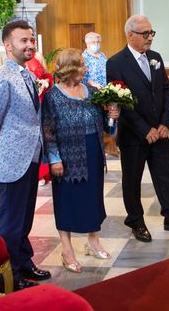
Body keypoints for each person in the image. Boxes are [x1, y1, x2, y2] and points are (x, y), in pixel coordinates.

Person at [106, 15, 169, 242]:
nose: (150, 38)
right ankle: (136, 221)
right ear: (130, 35)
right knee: (132, 179)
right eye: (145, 34)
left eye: (151, 33)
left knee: (164, 176)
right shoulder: (116, 63)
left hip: (160, 132)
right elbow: (121, 101)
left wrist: (164, 123)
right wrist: (145, 129)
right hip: (134, 135)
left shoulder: (156, 58)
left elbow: (166, 90)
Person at [0, 20, 51, 292]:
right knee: (10, 222)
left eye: (32, 40)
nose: (30, 45)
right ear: (8, 46)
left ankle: (23, 263)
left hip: (31, 157)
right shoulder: (1, 78)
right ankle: (7, 278)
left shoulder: (28, 75)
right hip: (11, 160)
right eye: (24, 41)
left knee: (24, 218)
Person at [42, 49, 119, 273]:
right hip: (66, 157)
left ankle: (93, 241)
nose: (86, 68)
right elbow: (48, 131)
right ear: (71, 69)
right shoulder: (52, 96)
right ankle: (67, 251)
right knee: (66, 202)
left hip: (93, 152)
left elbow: (107, 128)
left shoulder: (93, 92)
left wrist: (113, 116)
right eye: (83, 65)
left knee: (93, 200)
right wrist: (54, 159)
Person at [26, 51, 53, 184]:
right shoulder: (18, 57)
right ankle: (35, 172)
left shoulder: (38, 55)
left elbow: (47, 74)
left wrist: (45, 81)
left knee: (44, 133)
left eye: (32, 39)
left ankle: (45, 170)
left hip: (42, 97)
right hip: (28, 100)